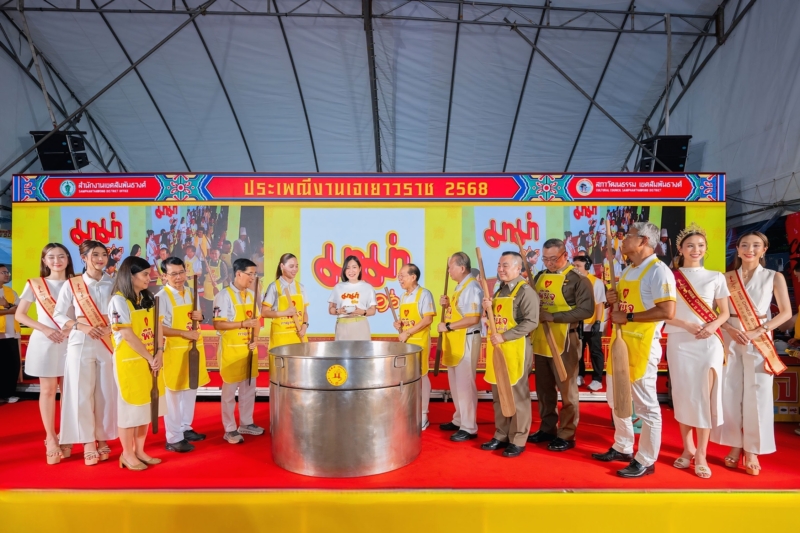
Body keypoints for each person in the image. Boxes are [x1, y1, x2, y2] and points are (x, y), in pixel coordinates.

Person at [591, 221, 676, 478]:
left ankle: (646, 459)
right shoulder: (629, 269)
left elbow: (667, 311)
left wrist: (627, 317)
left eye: (628, 236)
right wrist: (613, 299)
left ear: (643, 241)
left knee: (646, 406)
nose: (623, 240)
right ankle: (623, 445)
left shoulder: (658, 271)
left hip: (642, 345)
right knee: (617, 398)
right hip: (621, 343)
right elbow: (622, 303)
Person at [712, 231, 792, 475]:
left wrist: (758, 331)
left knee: (758, 393)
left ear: (764, 249)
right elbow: (714, 310)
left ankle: (753, 450)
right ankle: (734, 444)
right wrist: (729, 328)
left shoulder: (773, 276)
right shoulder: (725, 278)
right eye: (744, 245)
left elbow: (786, 312)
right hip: (730, 336)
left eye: (756, 245)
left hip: (759, 337)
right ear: (737, 249)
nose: (750, 249)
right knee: (729, 391)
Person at [664, 224, 730, 479]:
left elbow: (724, 312)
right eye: (690, 245)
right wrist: (685, 324)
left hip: (708, 342)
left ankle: (701, 452)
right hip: (680, 340)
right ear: (680, 249)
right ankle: (687, 448)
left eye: (701, 245)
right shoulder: (669, 276)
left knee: (704, 396)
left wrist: (712, 325)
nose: (696, 249)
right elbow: (662, 312)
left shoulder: (716, 276)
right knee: (683, 395)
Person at [53, 240, 117, 466]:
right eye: (95, 255)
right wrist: (81, 326)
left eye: (104, 255)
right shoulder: (73, 284)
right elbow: (58, 314)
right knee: (81, 393)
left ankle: (103, 437)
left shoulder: (114, 283)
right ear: (83, 258)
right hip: (81, 341)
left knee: (106, 392)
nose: (100, 259)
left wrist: (111, 328)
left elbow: (122, 312)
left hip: (107, 341)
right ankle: (88, 442)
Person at [527, 239, 594, 452]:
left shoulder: (578, 280)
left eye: (553, 259)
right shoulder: (539, 276)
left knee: (567, 390)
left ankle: (567, 433)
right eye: (545, 259)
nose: (549, 263)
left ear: (565, 255)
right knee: (544, 389)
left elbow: (586, 310)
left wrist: (554, 316)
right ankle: (547, 428)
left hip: (566, 340)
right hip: (541, 340)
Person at [15, 244, 74, 463]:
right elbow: (20, 315)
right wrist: (45, 329)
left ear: (68, 259)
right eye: (51, 257)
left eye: (61, 256)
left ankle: (67, 434)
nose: (57, 261)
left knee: (69, 391)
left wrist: (68, 330)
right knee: (48, 391)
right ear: (44, 260)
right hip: (45, 340)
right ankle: (50, 437)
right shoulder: (35, 284)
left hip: (71, 340)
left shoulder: (77, 283)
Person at [108, 257, 167, 470]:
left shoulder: (147, 297)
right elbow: (127, 334)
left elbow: (158, 328)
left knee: (145, 408)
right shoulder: (118, 301)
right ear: (130, 276)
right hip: (130, 361)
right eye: (145, 274)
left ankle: (140, 451)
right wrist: (150, 357)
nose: (149, 278)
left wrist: (159, 352)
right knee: (130, 410)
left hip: (151, 359)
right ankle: (127, 454)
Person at [480, 252, 539, 457]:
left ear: (518, 268)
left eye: (505, 265)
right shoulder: (500, 290)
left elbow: (531, 322)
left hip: (516, 349)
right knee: (499, 394)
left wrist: (505, 336)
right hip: (498, 350)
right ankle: (501, 434)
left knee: (517, 395)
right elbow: (495, 318)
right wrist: (487, 309)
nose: (500, 269)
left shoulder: (525, 292)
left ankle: (518, 439)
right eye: (499, 265)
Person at [157, 257, 210, 453]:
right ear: (164, 276)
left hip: (193, 348)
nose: (178, 277)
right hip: (173, 350)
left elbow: (198, 317)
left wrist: (201, 316)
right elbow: (158, 327)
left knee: (190, 389)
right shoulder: (161, 297)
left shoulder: (191, 292)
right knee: (174, 393)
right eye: (173, 274)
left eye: (181, 272)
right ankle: (173, 437)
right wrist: (183, 333)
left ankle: (185, 427)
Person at [213, 258, 263, 444]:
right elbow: (218, 324)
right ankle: (229, 429)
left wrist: (255, 339)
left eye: (255, 274)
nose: (252, 278)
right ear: (238, 273)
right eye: (250, 274)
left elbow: (256, 321)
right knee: (229, 393)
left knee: (249, 389)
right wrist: (242, 324)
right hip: (232, 350)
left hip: (249, 350)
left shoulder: (251, 295)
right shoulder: (223, 296)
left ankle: (246, 423)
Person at [437, 252, 483, 442]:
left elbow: (473, 318)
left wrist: (448, 326)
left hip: (467, 339)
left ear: (462, 268)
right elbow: (460, 312)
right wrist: (448, 305)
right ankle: (459, 419)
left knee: (465, 385)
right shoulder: (460, 287)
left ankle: (469, 426)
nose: (449, 271)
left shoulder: (471, 287)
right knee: (455, 384)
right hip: (456, 339)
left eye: (451, 267)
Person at [393, 263, 436, 430]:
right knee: (408, 377)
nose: (400, 279)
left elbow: (427, 320)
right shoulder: (404, 297)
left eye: (402, 275)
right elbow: (405, 320)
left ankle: (423, 414)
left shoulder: (424, 294)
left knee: (422, 376)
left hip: (419, 341)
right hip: (407, 343)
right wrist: (399, 324)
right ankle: (411, 412)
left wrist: (408, 332)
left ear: (413, 277)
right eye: (399, 276)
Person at [572, 254, 606, 391]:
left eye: (578, 266)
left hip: (592, 324)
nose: (575, 268)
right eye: (573, 266)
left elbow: (599, 304)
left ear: (587, 266)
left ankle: (597, 379)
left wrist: (597, 322)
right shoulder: (572, 282)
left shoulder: (596, 282)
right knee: (577, 352)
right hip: (577, 323)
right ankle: (580, 375)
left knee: (595, 351)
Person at [262, 253, 308, 349]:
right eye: (291, 266)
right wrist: (285, 313)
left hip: (299, 336)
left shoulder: (301, 287)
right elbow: (264, 312)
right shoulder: (274, 287)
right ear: (282, 266)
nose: (295, 269)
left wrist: (304, 326)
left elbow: (305, 312)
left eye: (296, 266)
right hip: (281, 338)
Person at [328, 256, 377, 341]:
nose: (351, 271)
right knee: (341, 350)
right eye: (348, 268)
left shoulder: (368, 287)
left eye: (354, 267)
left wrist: (363, 312)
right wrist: (338, 311)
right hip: (342, 327)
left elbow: (373, 310)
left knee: (361, 349)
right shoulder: (338, 287)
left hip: (360, 326)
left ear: (360, 269)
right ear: (344, 270)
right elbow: (330, 309)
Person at [0, 264, 21, 405]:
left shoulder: (10, 292)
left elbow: (18, 309)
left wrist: (7, 305)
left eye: (7, 272)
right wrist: (9, 310)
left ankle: (8, 394)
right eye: (3, 272)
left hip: (11, 333)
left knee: (12, 365)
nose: (7, 274)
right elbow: (12, 310)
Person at [201, 248, 228, 325]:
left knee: (216, 303)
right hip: (208, 286)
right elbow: (202, 274)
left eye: (216, 253)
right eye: (212, 253)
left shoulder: (222, 264)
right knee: (208, 303)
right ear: (210, 254)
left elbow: (225, 276)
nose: (214, 255)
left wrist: (217, 282)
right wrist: (205, 271)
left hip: (216, 287)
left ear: (219, 255)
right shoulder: (207, 262)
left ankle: (215, 318)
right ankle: (208, 318)